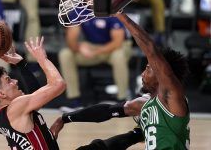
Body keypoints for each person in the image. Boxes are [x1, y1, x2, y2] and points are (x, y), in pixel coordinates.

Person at [52, 12, 190, 150]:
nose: (142, 74)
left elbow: (151, 50)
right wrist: (65, 118)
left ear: (161, 74)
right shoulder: (146, 103)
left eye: (148, 69)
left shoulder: (172, 96)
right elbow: (107, 110)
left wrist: (120, 15)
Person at [0, 36, 66, 149]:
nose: (15, 81)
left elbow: (35, 94)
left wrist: (21, 64)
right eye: (8, 81)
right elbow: (59, 85)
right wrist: (42, 59)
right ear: (2, 94)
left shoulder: (0, 119)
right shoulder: (17, 106)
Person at [59, 12, 132, 107]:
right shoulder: (78, 11)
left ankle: (123, 98)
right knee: (65, 54)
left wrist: (95, 52)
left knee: (119, 56)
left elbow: (117, 43)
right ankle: (74, 100)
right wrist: (78, 47)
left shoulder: (113, 10)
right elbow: (71, 41)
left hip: (117, 48)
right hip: (92, 45)